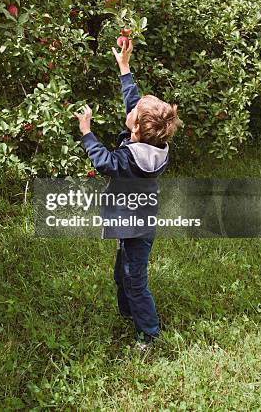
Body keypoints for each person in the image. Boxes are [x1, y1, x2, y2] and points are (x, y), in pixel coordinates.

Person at [75, 39, 183, 349]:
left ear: (135, 127)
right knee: (123, 273)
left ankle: (148, 334)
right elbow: (133, 102)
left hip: (134, 223)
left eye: (133, 112)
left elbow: (104, 161)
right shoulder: (156, 146)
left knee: (135, 281)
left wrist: (87, 131)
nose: (131, 107)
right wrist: (124, 68)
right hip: (138, 219)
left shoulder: (128, 160)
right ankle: (129, 313)